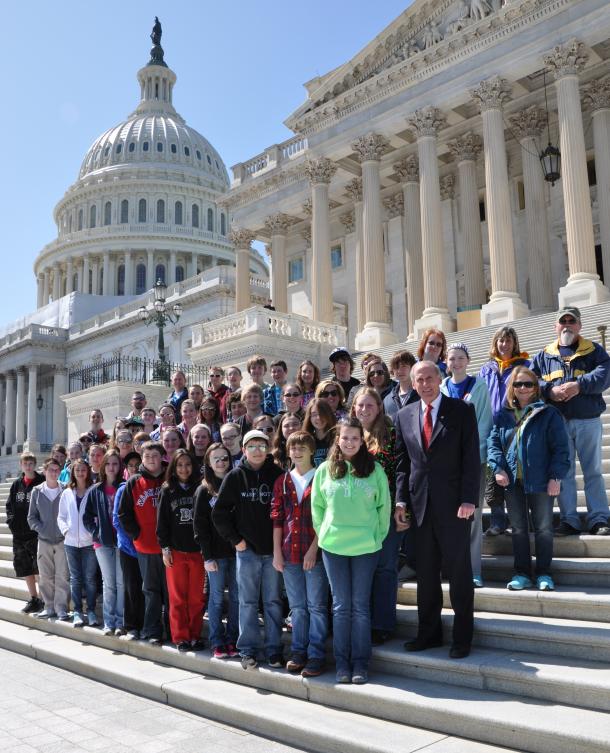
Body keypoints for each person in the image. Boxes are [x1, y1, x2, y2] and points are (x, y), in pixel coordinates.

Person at [395, 360, 480, 659]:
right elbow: (403, 464)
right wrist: (401, 501)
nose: (425, 383)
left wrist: (469, 499)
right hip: (419, 508)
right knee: (426, 574)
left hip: (455, 506)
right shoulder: (404, 415)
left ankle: (462, 638)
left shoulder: (461, 410)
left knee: (458, 573)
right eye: (420, 379)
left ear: (439, 378)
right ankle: (428, 634)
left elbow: (471, 458)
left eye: (430, 377)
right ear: (413, 383)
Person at [312, 418, 390, 685]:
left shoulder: (374, 469)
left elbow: (384, 508)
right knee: (341, 606)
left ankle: (360, 663)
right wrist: (324, 534)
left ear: (362, 441)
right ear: (338, 439)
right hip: (334, 546)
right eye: (345, 438)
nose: (349, 442)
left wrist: (375, 536)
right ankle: (342, 664)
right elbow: (317, 508)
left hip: (366, 547)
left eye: (355, 438)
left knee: (359, 606)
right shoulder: (324, 470)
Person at [488, 367, 570, 591]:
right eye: (518, 384)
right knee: (518, 528)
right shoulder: (502, 415)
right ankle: (522, 573)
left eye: (528, 384)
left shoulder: (548, 413)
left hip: (542, 480)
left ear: (536, 388)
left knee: (543, 528)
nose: (523, 388)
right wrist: (498, 468)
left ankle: (544, 573)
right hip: (512, 482)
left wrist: (556, 476)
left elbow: (561, 449)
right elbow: (493, 445)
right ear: (511, 388)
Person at [532, 307, 610, 536]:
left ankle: (599, 518)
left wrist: (579, 385)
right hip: (557, 423)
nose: (567, 325)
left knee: (593, 471)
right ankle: (569, 519)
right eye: (562, 321)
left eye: (571, 321)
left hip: (587, 420)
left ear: (579, 326)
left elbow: (605, 373)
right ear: (555, 326)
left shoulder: (593, 350)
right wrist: (549, 390)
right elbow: (530, 379)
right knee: (563, 473)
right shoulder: (544, 354)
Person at [212, 429, 284, 670]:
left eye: (262, 446)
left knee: (273, 601)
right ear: (243, 450)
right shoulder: (234, 477)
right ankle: (248, 650)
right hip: (247, 551)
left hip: (273, 550)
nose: (257, 450)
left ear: (268, 449)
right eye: (251, 446)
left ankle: (274, 650)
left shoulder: (277, 474)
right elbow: (219, 514)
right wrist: (236, 541)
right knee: (248, 602)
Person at [272, 431, 328, 678]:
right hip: (288, 551)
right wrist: (276, 553)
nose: (296, 452)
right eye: (293, 448)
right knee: (297, 606)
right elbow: (277, 519)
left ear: (311, 451)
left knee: (316, 605)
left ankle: (316, 654)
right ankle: (299, 651)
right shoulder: (283, 481)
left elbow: (327, 517)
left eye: (302, 448)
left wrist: (314, 549)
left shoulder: (321, 478)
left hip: (312, 552)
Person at [441, 343, 493, 588]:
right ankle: (451, 566)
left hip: (474, 460)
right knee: (449, 517)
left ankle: (473, 569)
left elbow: (484, 422)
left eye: (460, 358)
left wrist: (470, 452)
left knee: (472, 516)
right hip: (447, 464)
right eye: (452, 358)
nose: (456, 362)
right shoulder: (441, 387)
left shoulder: (479, 386)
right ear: (447, 362)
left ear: (468, 361)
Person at [351, 387, 399, 644]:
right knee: (363, 569)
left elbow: (402, 471)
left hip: (385, 512)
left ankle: (383, 623)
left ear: (379, 407)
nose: (365, 410)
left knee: (385, 568)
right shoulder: (349, 434)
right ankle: (363, 620)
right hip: (356, 515)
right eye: (361, 405)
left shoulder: (390, 434)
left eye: (370, 405)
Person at [479, 326, 530, 536]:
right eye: (501, 341)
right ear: (495, 343)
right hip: (491, 427)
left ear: (514, 343)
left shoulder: (524, 365)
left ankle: (523, 520)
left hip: (514, 424)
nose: (504, 344)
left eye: (508, 341)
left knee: (517, 473)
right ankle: (498, 522)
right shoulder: (486, 369)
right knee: (494, 475)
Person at [118, 442, 167, 645]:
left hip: (170, 546)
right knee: (151, 590)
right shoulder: (134, 482)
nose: (151, 460)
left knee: (170, 592)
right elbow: (123, 513)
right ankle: (152, 630)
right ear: (142, 459)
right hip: (146, 547)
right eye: (147, 457)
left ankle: (173, 630)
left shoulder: (168, 479)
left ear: (162, 457)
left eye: (155, 456)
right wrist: (136, 534)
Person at [193, 443, 239, 659]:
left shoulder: (237, 483)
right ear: (209, 464)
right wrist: (207, 556)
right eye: (216, 459)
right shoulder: (203, 490)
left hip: (238, 552)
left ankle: (232, 639)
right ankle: (217, 641)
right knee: (217, 598)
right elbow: (199, 527)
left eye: (225, 458)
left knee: (238, 598)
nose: (221, 463)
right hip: (215, 555)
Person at [156, 449, 204, 652]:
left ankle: (194, 635)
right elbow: (162, 524)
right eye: (180, 465)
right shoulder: (167, 490)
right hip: (175, 552)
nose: (184, 468)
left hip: (197, 552)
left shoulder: (200, 487)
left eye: (188, 464)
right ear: (174, 468)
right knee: (177, 598)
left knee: (196, 598)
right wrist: (165, 548)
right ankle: (180, 637)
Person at [83, 450, 125, 636]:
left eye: (115, 464)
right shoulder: (95, 490)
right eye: (108, 464)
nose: (111, 467)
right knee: (109, 584)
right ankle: (109, 622)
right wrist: (95, 532)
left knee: (121, 583)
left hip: (122, 543)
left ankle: (121, 621)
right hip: (102, 543)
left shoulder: (124, 487)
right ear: (103, 466)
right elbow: (87, 517)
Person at [27, 458, 70, 620]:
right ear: (44, 471)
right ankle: (48, 606)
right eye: (50, 469)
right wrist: (42, 530)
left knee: (62, 575)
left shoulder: (65, 490)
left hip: (62, 540)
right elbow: (31, 517)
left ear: (60, 472)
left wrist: (65, 531)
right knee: (45, 576)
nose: (53, 473)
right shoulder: (37, 491)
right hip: (44, 541)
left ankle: (61, 608)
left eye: (56, 470)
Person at [57, 458, 97, 627]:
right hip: (71, 542)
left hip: (89, 542)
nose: (80, 473)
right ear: (72, 472)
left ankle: (92, 611)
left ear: (87, 472)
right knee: (75, 578)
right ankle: (78, 612)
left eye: (83, 470)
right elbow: (61, 516)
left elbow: (96, 514)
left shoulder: (93, 490)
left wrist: (94, 531)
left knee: (90, 578)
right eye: (77, 470)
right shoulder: (67, 492)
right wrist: (66, 531)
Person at [6, 453, 44, 614]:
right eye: (25, 463)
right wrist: (11, 522)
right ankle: (34, 598)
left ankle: (43, 599)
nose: (28, 466)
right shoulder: (16, 485)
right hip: (19, 535)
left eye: (31, 463)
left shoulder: (41, 481)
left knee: (39, 568)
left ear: (34, 464)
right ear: (21, 465)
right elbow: (10, 506)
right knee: (25, 568)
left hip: (35, 534)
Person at [112, 452, 145, 640]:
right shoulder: (122, 489)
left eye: (136, 464)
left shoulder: (145, 487)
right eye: (130, 465)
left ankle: (147, 624)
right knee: (131, 587)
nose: (133, 467)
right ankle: (132, 626)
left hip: (147, 548)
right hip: (128, 548)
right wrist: (135, 540)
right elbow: (117, 520)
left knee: (147, 588)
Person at [384, 350, 419, 419]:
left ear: (412, 367)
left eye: (404, 366)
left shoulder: (422, 393)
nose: (400, 371)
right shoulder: (387, 400)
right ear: (392, 371)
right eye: (396, 367)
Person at [303, 398, 337, 467]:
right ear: (309, 417)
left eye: (322, 413)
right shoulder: (305, 440)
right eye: (314, 414)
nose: (318, 417)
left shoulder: (337, 438)